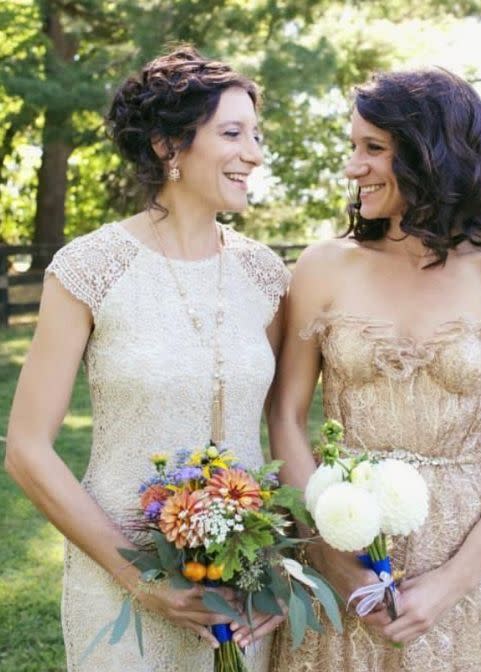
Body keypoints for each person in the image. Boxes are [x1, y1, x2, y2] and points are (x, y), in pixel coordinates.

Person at [269, 68, 481, 671]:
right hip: (338, 538)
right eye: (353, 146)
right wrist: (334, 557)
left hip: (465, 555)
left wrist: (454, 580)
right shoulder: (323, 266)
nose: (354, 167)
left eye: (373, 148)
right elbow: (284, 414)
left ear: (435, 154)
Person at [5, 46, 289, 671]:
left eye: (257, 134)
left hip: (244, 588)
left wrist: (282, 569)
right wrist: (142, 578)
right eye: (234, 133)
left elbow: (281, 433)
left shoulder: (267, 277)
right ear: (168, 146)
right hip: (118, 585)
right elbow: (26, 449)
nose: (256, 154)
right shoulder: (89, 268)